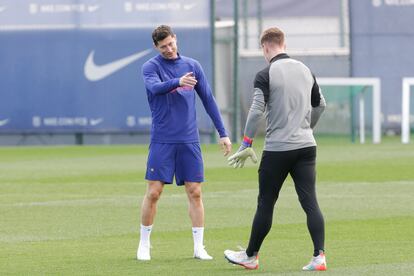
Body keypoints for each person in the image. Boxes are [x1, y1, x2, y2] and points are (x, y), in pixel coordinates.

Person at [224, 27, 327, 271]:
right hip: (306, 147)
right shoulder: (306, 70)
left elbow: (256, 110)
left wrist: (247, 143)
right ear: (283, 43)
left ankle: (250, 256)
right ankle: (319, 256)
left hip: (278, 149)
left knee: (266, 202)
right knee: (310, 201)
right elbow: (320, 105)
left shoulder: (266, 73)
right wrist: (306, 128)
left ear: (265, 46)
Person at [137, 25, 232, 261]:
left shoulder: (193, 66)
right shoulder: (151, 67)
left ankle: (199, 247)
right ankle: (144, 244)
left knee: (195, 192)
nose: (169, 49)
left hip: (189, 139)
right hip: (162, 139)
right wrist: (178, 81)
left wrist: (223, 132)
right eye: (163, 47)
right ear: (156, 47)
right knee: (154, 192)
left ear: (175, 39)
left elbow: (208, 99)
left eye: (171, 44)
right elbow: (155, 88)